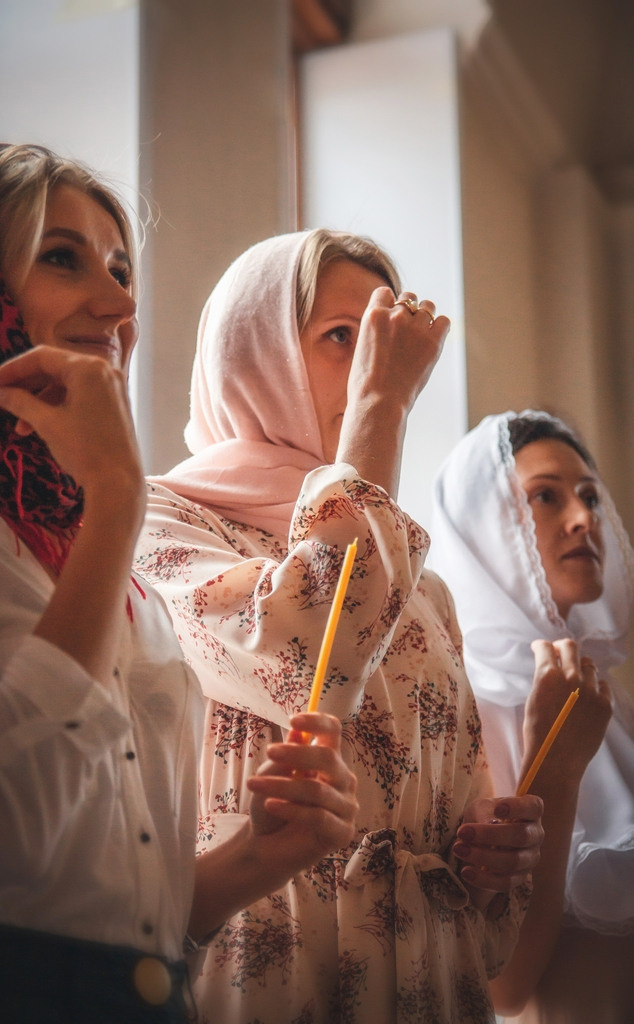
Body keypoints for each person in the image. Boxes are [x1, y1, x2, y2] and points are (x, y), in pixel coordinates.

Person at [0, 143, 360, 1024]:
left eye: (121, 267)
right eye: (62, 258)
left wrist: (257, 858)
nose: (121, 305)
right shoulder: (13, 526)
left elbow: (132, 912)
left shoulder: (107, 561)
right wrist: (117, 502)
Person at [134, 229, 546, 1024]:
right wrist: (382, 405)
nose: (367, 369)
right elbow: (310, 653)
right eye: (338, 338)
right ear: (253, 352)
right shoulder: (163, 521)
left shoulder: (423, 588)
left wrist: (491, 859)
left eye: (380, 343)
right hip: (272, 968)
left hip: (430, 977)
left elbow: (483, 905)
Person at [429, 410, 634, 1023]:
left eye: (591, 496)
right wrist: (558, 770)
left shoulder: (608, 700)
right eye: (544, 496)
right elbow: (501, 988)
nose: (583, 519)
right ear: (479, 527)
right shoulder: (458, 704)